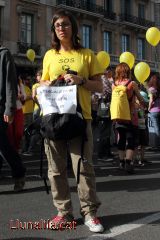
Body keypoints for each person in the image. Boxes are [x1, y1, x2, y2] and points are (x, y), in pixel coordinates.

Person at [41, 9, 104, 233]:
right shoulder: (50, 55)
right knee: (56, 170)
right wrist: (42, 85)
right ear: (54, 30)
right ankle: (63, 213)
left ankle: (90, 214)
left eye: (65, 24)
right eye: (57, 25)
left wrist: (81, 80)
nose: (61, 28)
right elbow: (42, 83)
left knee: (83, 168)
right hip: (53, 119)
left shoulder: (87, 54)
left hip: (80, 119)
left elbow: (100, 86)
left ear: (73, 28)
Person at [0, 46, 26, 191]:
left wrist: (10, 108)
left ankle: (19, 173)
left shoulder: (4, 54)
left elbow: (10, 84)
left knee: (3, 145)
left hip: (1, 107)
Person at [112, 63, 145, 174]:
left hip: (118, 116)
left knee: (121, 139)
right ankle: (128, 162)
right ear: (128, 71)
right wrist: (142, 104)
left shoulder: (114, 84)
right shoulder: (132, 84)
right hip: (131, 116)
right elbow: (140, 98)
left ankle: (121, 162)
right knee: (131, 140)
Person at [97, 67, 114, 159]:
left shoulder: (106, 79)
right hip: (104, 109)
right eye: (110, 71)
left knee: (107, 132)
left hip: (107, 108)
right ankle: (102, 154)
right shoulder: (103, 79)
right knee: (104, 132)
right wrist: (112, 83)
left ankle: (107, 152)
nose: (112, 73)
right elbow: (109, 91)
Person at [148, 74, 160, 148]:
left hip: (154, 111)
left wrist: (149, 107)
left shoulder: (151, 89)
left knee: (157, 129)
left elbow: (151, 100)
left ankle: (157, 145)